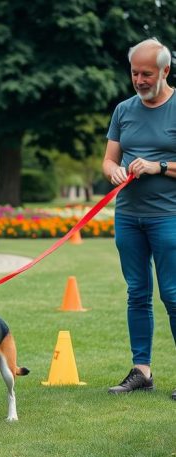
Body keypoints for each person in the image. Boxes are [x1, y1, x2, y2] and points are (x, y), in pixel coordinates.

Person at [102, 38, 176, 400]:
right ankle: (142, 371)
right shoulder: (123, 110)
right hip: (129, 217)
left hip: (169, 217)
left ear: (165, 71)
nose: (140, 79)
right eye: (134, 72)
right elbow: (107, 159)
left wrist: (158, 166)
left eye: (147, 73)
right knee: (137, 293)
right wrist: (114, 170)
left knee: (174, 294)